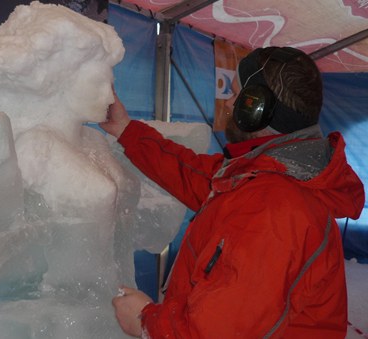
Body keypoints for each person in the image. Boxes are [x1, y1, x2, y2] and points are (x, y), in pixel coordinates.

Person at [100, 46, 365, 338]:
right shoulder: (262, 178)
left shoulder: (275, 209)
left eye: (236, 94)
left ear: (257, 108)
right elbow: (195, 174)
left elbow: (218, 332)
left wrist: (146, 321)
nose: (228, 104)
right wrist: (125, 129)